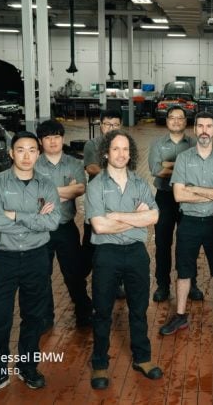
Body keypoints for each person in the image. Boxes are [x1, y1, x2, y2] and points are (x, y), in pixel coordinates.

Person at [0, 131, 60, 400]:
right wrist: (33, 216)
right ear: (11, 153)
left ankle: (27, 367)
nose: (26, 155)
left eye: (32, 150)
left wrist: (14, 215)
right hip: (5, 260)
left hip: (36, 258)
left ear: (38, 153)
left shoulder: (46, 186)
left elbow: (52, 222)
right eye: (20, 149)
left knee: (34, 317)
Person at [85, 129, 162, 389]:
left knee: (139, 309)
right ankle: (99, 364)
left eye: (126, 149)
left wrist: (116, 216)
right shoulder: (96, 185)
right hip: (106, 254)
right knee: (102, 310)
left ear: (131, 154)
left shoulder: (140, 184)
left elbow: (153, 217)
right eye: (116, 149)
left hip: (137, 253)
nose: (121, 154)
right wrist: (134, 218)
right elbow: (99, 227)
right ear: (106, 153)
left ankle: (143, 358)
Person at [160, 111, 213, 337]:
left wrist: (193, 188)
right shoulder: (184, 158)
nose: (204, 130)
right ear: (195, 130)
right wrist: (211, 192)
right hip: (190, 223)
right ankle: (180, 315)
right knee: (184, 271)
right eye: (201, 126)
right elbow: (178, 195)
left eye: (209, 126)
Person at [34, 119, 92, 329]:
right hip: (40, 230)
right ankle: (45, 317)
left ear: (62, 138)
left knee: (74, 273)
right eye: (48, 138)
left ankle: (84, 313)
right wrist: (62, 191)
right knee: (41, 275)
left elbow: (78, 190)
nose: (53, 142)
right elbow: (33, 197)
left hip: (66, 228)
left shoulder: (74, 163)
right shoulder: (33, 164)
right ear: (41, 141)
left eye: (56, 137)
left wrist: (47, 193)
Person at [147, 106, 203, 303]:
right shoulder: (158, 144)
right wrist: (185, 166)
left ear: (186, 122)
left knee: (188, 243)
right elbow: (155, 169)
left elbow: (200, 170)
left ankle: (191, 283)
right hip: (165, 197)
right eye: (172, 118)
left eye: (180, 118)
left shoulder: (195, 143)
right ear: (167, 120)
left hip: (188, 197)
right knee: (163, 243)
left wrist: (169, 165)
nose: (176, 121)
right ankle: (163, 285)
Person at [82, 109, 126, 299]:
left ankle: (116, 284)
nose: (111, 128)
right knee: (91, 247)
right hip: (97, 204)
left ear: (121, 126)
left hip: (118, 204)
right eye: (108, 124)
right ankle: (82, 283)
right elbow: (91, 168)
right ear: (101, 126)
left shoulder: (124, 145)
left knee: (117, 243)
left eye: (115, 124)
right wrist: (115, 171)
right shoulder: (92, 144)